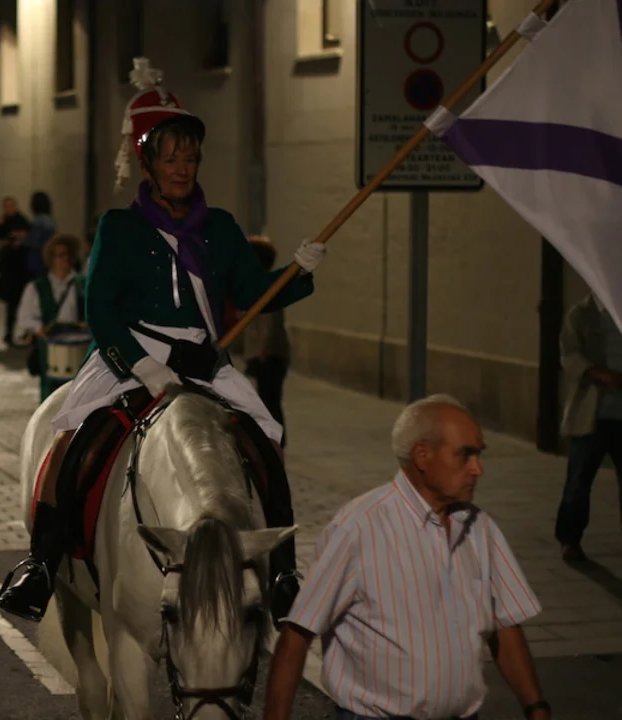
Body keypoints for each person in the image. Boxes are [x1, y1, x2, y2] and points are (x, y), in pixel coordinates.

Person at [0, 58, 326, 622]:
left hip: (204, 360)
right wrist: (144, 366)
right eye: (170, 158)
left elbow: (253, 293)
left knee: (267, 438)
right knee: (71, 440)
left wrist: (297, 272)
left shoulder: (220, 227)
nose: (182, 168)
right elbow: (100, 309)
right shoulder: (119, 228)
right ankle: (42, 562)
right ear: (147, 162)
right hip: (129, 357)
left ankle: (282, 572)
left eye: (190, 158)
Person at [263, 394, 550, 720]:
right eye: (465, 455)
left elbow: (505, 625)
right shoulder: (359, 528)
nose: (477, 469)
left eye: (478, 455)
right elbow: (297, 634)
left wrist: (536, 706)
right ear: (422, 456)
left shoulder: (480, 528)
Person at [554, 293, 622, 562]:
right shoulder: (581, 314)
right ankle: (569, 539)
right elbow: (569, 355)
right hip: (591, 414)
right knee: (579, 481)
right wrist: (601, 374)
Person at [14, 234, 87, 401]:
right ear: (51, 259)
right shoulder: (36, 287)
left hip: (80, 347)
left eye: (68, 254)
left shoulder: (84, 283)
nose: (66, 258)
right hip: (49, 347)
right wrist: (38, 328)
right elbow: (24, 318)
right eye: (60, 255)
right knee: (51, 397)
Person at [240, 235, 291, 448]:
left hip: (269, 355)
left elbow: (270, 321)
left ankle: (275, 443)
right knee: (267, 399)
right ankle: (272, 441)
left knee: (270, 401)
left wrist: (263, 350)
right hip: (265, 353)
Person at [0, 196, 32, 346]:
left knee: (23, 302)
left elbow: (28, 236)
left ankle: (27, 333)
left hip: (20, 268)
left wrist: (19, 238)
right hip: (8, 268)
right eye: (6, 206)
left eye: (10, 206)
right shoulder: (4, 221)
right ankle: (9, 334)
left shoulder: (22, 220)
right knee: (11, 304)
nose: (8, 209)